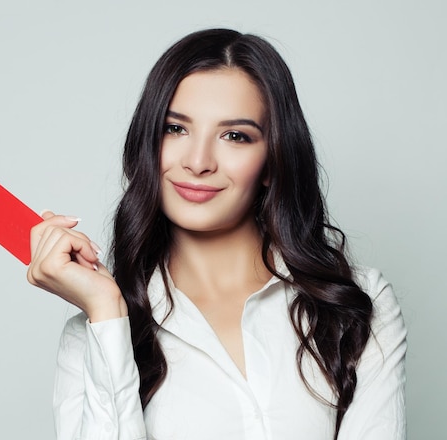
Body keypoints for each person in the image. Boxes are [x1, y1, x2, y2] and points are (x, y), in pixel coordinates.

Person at [27, 29, 406, 440]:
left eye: (235, 136)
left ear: (273, 160)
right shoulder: (94, 335)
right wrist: (106, 311)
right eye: (175, 129)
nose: (198, 161)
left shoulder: (357, 304)